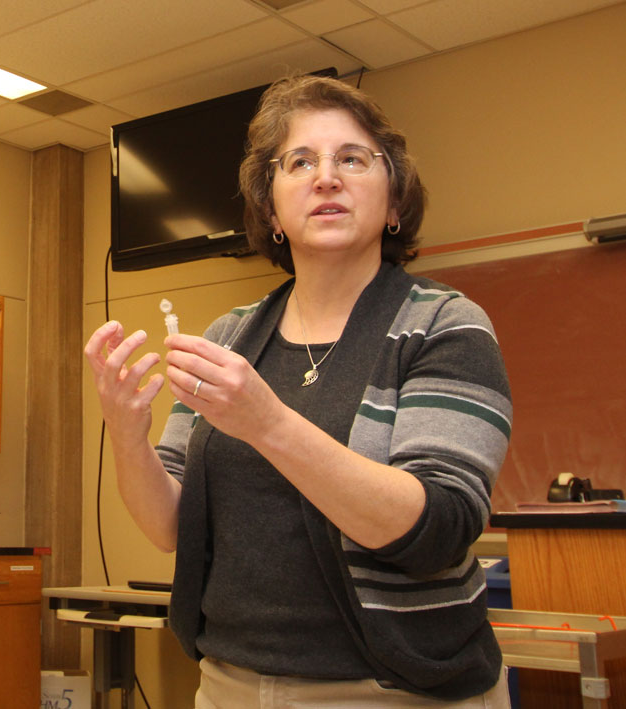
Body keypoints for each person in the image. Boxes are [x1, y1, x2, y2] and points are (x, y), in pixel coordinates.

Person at [85, 74, 512, 707]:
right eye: (300, 162)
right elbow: (170, 524)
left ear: (395, 204)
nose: (326, 177)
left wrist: (269, 423)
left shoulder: (444, 325)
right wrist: (125, 433)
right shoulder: (230, 335)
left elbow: (438, 528)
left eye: (352, 159)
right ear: (271, 211)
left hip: (396, 688)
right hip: (229, 682)